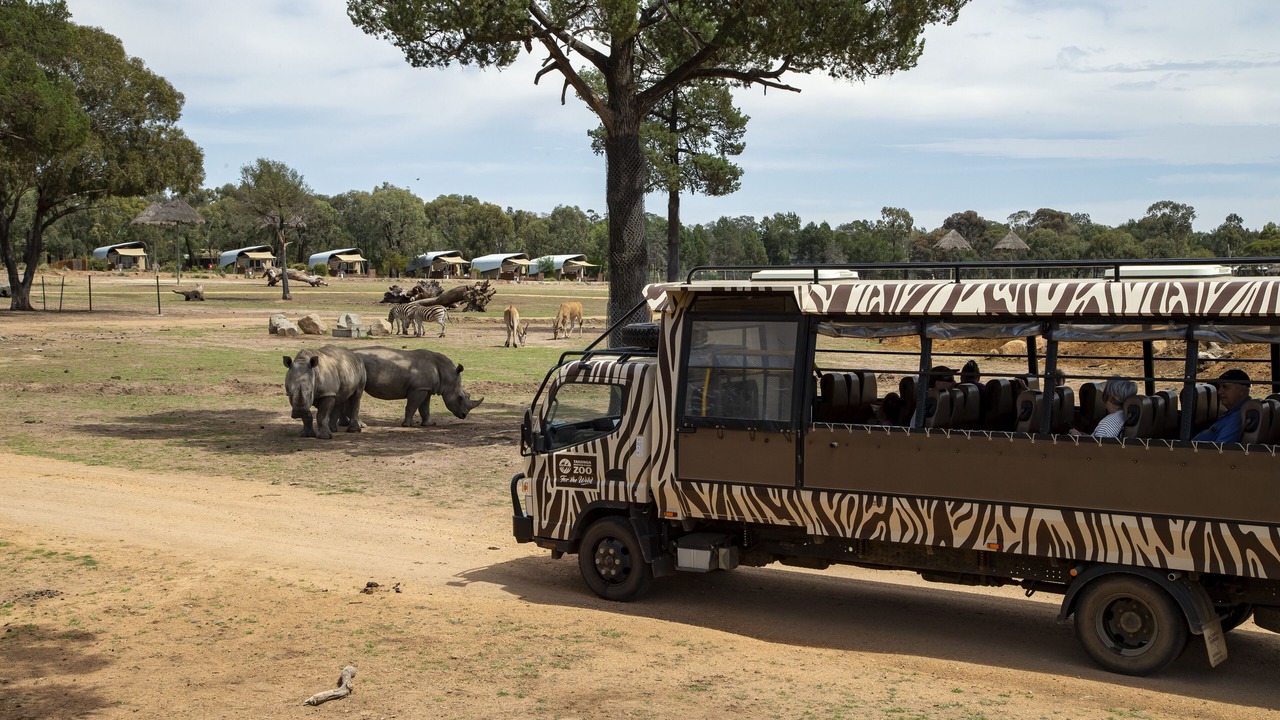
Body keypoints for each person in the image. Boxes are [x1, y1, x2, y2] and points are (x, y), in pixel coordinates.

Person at [1193, 369, 1252, 443]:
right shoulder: (1235, 412)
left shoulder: (1237, 418)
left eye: (1225, 387)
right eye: (1219, 387)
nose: (1219, 392)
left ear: (1242, 391)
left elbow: (1221, 448)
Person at [1069, 378, 1137, 438]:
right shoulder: (1128, 415)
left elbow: (1097, 446)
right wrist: (1083, 435)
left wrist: (1077, 437)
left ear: (1110, 399)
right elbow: (1098, 439)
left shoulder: (1106, 424)